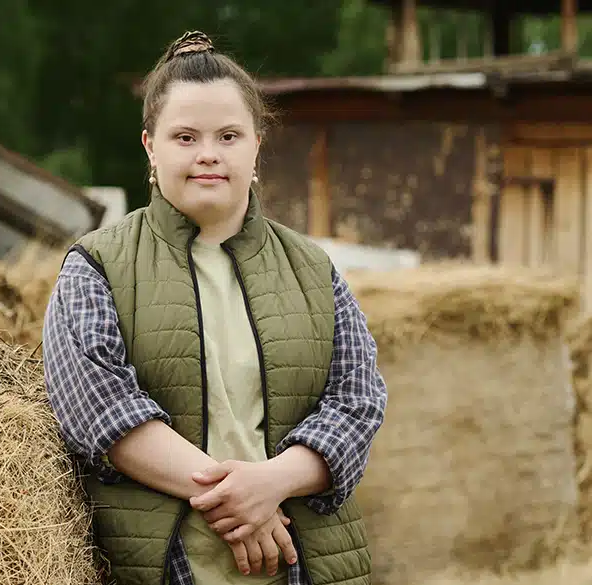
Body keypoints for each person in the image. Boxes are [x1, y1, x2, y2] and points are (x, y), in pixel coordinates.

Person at [41, 30, 387, 585]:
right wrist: (241, 500)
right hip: (161, 568)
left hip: (304, 568)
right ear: (150, 146)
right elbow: (101, 410)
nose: (208, 154)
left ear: (257, 145)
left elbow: (358, 401)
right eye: (185, 136)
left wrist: (272, 483)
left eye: (228, 135)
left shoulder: (314, 269)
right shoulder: (94, 267)